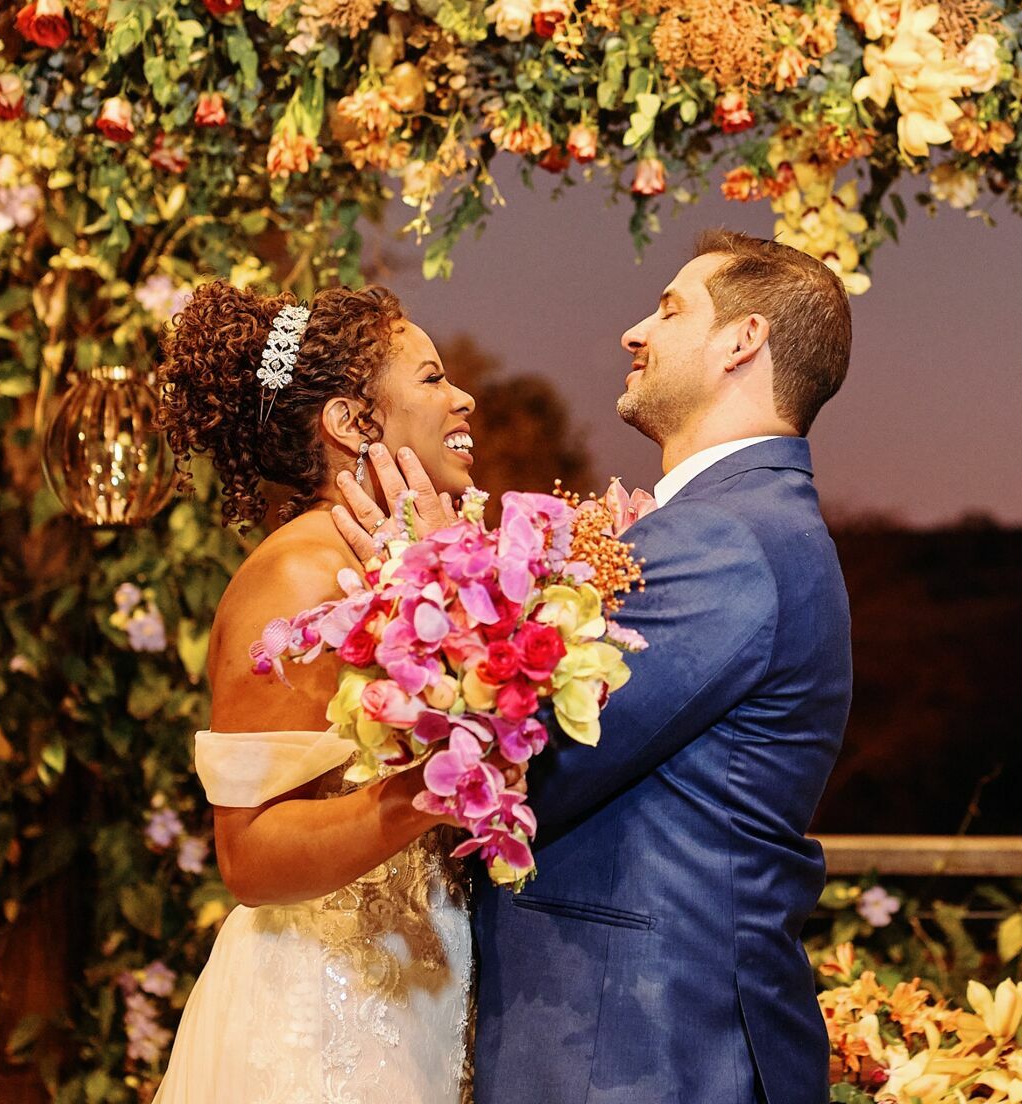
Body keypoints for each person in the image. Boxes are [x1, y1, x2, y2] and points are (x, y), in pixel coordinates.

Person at [328, 228, 857, 1103]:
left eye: (670, 310)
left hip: (646, 1051)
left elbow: (525, 765)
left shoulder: (726, 539)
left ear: (743, 341)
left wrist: (431, 580)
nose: (634, 332)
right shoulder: (738, 525)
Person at [150, 280, 484, 1104]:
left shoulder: (407, 566)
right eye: (433, 377)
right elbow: (251, 856)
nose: (463, 397)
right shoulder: (300, 575)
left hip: (419, 1002)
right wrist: (438, 788)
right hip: (322, 1022)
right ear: (349, 421)